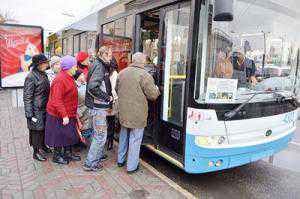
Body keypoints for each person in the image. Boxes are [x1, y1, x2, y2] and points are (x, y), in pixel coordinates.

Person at [116, 52, 160, 174]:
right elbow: (152, 96)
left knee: (124, 135)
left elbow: (116, 89)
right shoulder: (145, 76)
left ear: (132, 60)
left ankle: (120, 160)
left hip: (124, 111)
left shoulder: (122, 73)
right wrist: (157, 89)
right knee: (135, 139)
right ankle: (131, 167)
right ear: (143, 62)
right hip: (137, 114)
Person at [45, 55, 81, 165]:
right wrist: (64, 115)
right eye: (74, 66)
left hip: (68, 112)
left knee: (68, 134)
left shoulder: (68, 76)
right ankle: (57, 155)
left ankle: (67, 153)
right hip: (58, 114)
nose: (76, 68)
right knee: (58, 135)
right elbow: (56, 100)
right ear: (69, 67)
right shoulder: (60, 79)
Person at [83, 46, 113, 172]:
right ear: (103, 54)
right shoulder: (100, 67)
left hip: (96, 107)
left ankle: (94, 160)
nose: (111, 58)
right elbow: (93, 87)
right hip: (98, 108)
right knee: (100, 136)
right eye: (110, 55)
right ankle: (91, 163)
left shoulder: (97, 64)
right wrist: (107, 98)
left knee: (98, 134)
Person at [23, 54, 51, 161]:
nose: (46, 64)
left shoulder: (43, 74)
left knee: (43, 128)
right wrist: (29, 114)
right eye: (44, 63)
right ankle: (36, 152)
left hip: (44, 107)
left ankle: (43, 146)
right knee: (36, 131)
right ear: (38, 65)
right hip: (36, 110)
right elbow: (27, 97)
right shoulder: (31, 77)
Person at [106, 50, 119, 151]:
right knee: (111, 123)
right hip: (111, 101)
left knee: (105, 122)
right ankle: (110, 142)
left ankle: (107, 141)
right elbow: (114, 89)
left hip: (104, 100)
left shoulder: (105, 72)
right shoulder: (114, 73)